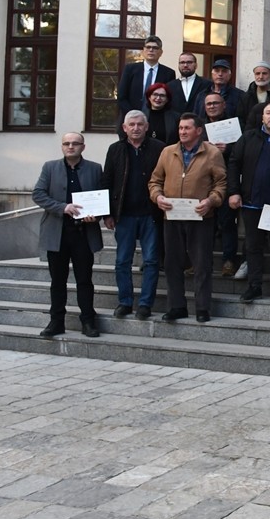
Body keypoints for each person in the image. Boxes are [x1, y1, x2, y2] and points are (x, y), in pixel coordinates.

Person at [149, 114, 227, 323]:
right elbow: (155, 181)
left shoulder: (212, 153)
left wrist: (211, 201)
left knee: (202, 264)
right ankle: (177, 306)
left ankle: (202, 308)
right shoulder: (167, 152)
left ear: (199, 131)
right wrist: (158, 197)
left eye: (187, 128)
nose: (182, 132)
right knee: (172, 263)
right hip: (172, 216)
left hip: (201, 216)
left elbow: (221, 183)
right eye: (180, 128)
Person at [32, 132, 104, 338]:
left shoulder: (94, 168)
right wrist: (62, 207)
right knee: (58, 281)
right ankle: (56, 322)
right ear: (62, 147)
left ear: (83, 146)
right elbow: (38, 194)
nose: (70, 147)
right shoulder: (50, 167)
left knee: (84, 280)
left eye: (75, 143)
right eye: (66, 143)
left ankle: (88, 321)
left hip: (83, 233)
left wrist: (96, 216)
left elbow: (101, 196)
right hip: (58, 233)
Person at [101, 111, 166, 321]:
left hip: (151, 214)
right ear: (124, 128)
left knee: (151, 261)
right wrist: (107, 213)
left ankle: (146, 304)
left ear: (146, 127)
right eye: (132, 125)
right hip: (124, 215)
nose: (136, 128)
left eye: (140, 124)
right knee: (122, 261)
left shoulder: (159, 148)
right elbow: (107, 181)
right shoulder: (115, 149)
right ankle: (125, 302)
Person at [229, 102, 270, 304]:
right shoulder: (248, 137)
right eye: (268, 113)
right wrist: (233, 192)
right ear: (262, 117)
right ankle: (254, 287)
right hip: (250, 203)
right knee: (252, 247)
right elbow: (233, 163)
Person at [199, 92, 242, 278]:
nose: (212, 106)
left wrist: (229, 148)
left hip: (226, 180)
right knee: (203, 224)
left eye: (216, 103)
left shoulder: (233, 125)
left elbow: (242, 151)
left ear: (224, 105)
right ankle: (198, 261)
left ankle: (228, 260)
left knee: (227, 222)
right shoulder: (198, 125)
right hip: (202, 181)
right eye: (209, 104)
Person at [117, 35, 174, 120]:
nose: (151, 50)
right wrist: (134, 115)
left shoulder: (168, 73)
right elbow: (121, 96)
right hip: (130, 120)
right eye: (148, 47)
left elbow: (168, 99)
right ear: (143, 51)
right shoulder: (130, 69)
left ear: (161, 52)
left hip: (156, 120)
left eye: (155, 48)